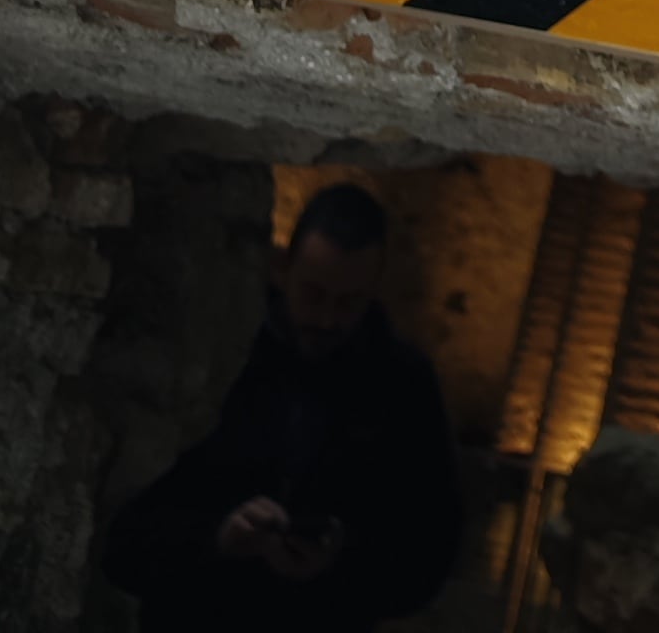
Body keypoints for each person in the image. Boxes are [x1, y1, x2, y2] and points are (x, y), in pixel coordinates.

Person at [100, 183, 462, 629]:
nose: (327, 318)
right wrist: (218, 538)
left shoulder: (403, 386)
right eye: (314, 294)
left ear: (374, 292)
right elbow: (124, 535)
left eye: (349, 303)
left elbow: (428, 556)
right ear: (283, 270)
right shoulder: (219, 352)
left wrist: (340, 557)